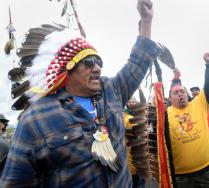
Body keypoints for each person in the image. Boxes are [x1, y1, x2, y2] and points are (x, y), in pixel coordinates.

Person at [0, 0, 162, 187]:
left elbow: (137, 63)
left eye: (99, 61)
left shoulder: (110, 90)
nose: (98, 68)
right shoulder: (35, 119)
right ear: (66, 69)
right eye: (89, 62)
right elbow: (15, 183)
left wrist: (146, 19)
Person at [165, 52, 209, 187]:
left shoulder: (198, 103)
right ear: (170, 98)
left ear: (187, 94)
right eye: (175, 93)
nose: (180, 94)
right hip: (181, 177)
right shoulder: (164, 115)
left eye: (182, 91)